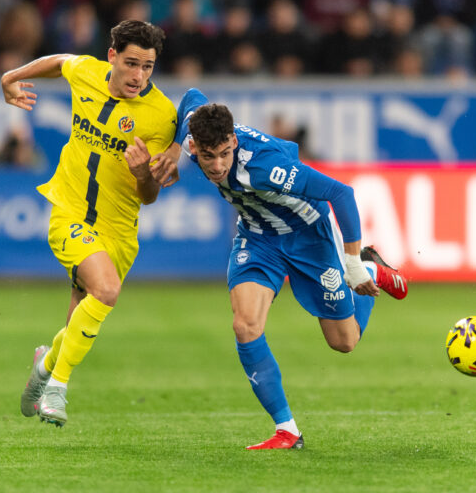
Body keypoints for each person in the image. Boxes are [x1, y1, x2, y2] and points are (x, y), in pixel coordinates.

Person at [146, 88, 408, 449]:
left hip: (309, 237)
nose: (217, 166)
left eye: (224, 154)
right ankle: (287, 430)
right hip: (258, 238)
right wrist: (175, 150)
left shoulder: (265, 168)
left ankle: (369, 267)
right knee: (245, 325)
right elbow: (192, 96)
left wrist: (351, 265)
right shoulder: (194, 137)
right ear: (195, 146)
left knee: (344, 342)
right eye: (208, 156)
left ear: (233, 141)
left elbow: (341, 194)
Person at [1, 19, 180, 427]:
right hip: (69, 212)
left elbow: (149, 196)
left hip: (119, 230)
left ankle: (46, 364)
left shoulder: (161, 116)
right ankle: (56, 389)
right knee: (107, 289)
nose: (138, 76)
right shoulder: (87, 72)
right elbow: (60, 61)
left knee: (83, 315)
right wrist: (12, 77)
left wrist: (143, 174)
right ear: (112, 56)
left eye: (148, 67)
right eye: (131, 63)